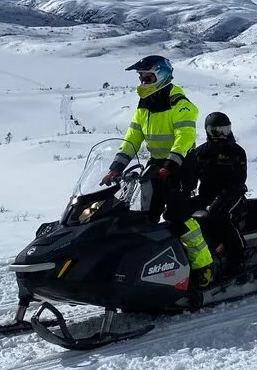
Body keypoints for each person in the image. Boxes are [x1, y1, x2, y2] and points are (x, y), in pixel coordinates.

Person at [100, 55, 214, 287]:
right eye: (142, 78)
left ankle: (204, 266)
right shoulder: (145, 106)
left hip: (181, 165)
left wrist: (172, 162)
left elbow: (185, 136)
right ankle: (152, 269)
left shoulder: (180, 104)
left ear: (161, 76)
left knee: (178, 216)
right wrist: (116, 167)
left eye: (148, 77)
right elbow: (132, 138)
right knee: (146, 216)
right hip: (157, 163)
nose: (143, 82)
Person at [181, 111, 248, 278]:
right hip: (207, 194)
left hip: (233, 194)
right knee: (180, 212)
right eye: (217, 131)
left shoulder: (237, 152)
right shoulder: (201, 152)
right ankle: (192, 256)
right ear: (209, 132)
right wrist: (182, 191)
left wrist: (224, 195)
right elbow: (191, 178)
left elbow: (239, 179)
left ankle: (238, 257)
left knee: (219, 214)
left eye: (225, 129)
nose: (222, 134)